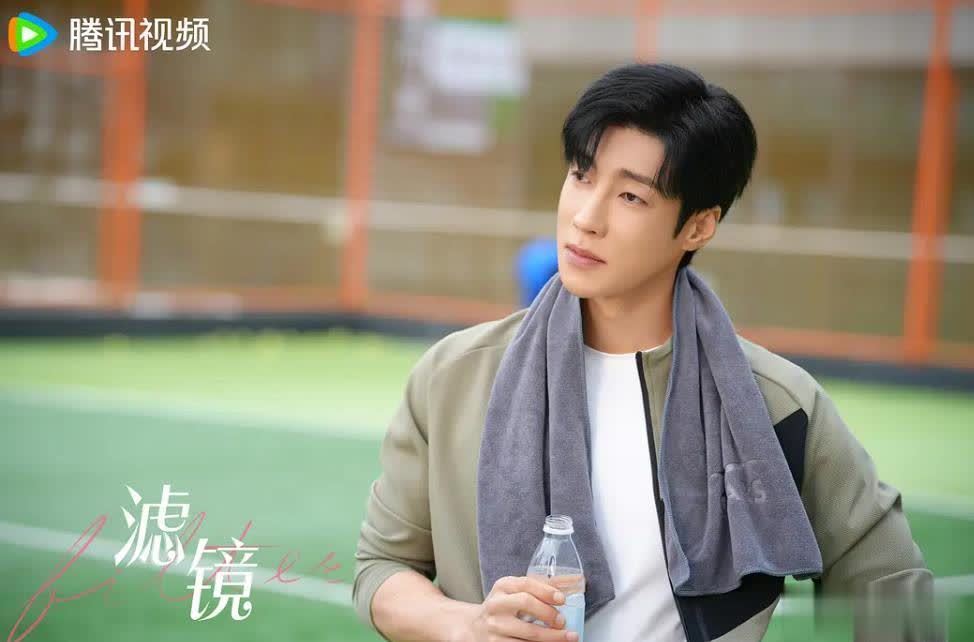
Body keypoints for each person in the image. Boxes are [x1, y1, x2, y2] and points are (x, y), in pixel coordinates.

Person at [352, 63, 934, 642]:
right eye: (581, 175)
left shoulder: (776, 404)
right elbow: (382, 567)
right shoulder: (455, 376)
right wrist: (468, 625)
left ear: (698, 227)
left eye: (631, 196)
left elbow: (891, 583)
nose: (586, 218)